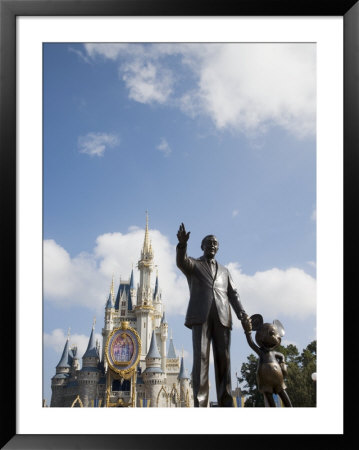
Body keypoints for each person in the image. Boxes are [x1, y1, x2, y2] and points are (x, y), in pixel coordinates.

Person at [176, 223, 250, 407]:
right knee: (201, 360)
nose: (213, 246)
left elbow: (233, 294)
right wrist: (182, 245)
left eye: (215, 243)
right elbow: (181, 262)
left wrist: (242, 314)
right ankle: (201, 404)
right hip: (201, 317)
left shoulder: (225, 271)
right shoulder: (194, 264)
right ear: (202, 246)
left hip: (223, 317)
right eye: (209, 243)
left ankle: (226, 404)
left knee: (224, 360)